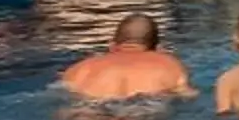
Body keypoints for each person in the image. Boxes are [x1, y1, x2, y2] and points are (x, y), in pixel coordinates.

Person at [59, 14, 193, 102]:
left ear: (112, 46)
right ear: (158, 49)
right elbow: (188, 96)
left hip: (89, 106)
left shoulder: (79, 68)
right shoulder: (169, 64)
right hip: (144, 110)